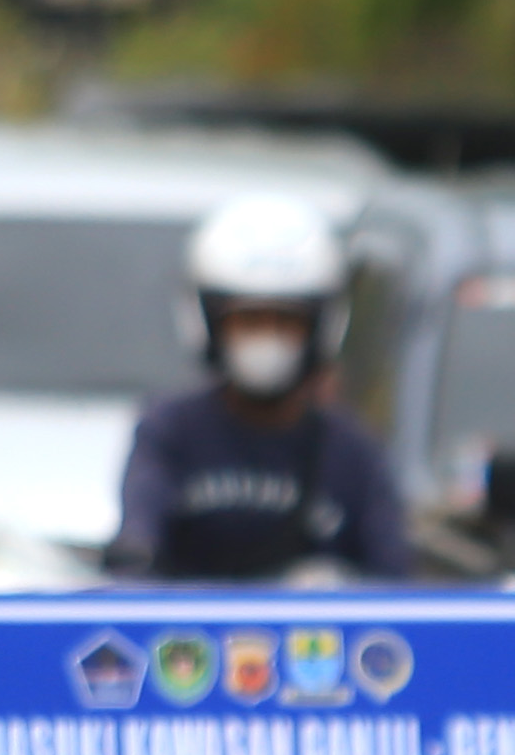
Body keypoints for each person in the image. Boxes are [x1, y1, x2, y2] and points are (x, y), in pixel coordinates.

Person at [110, 192, 415, 581]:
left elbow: (393, 583)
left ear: (321, 327)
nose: (267, 339)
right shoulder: (170, 431)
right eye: (248, 321)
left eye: (286, 322)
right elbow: (137, 546)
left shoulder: (353, 451)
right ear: (208, 323)